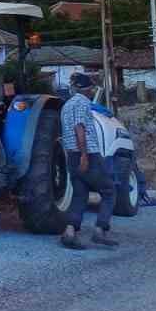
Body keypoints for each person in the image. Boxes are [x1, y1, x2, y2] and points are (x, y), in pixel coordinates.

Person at [60, 72, 118, 250]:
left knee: (80, 194)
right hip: (87, 155)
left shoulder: (67, 105)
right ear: (88, 89)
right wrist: (85, 155)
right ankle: (100, 229)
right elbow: (79, 129)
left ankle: (70, 232)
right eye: (92, 88)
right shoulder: (83, 103)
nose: (93, 91)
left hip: (71, 155)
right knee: (109, 190)